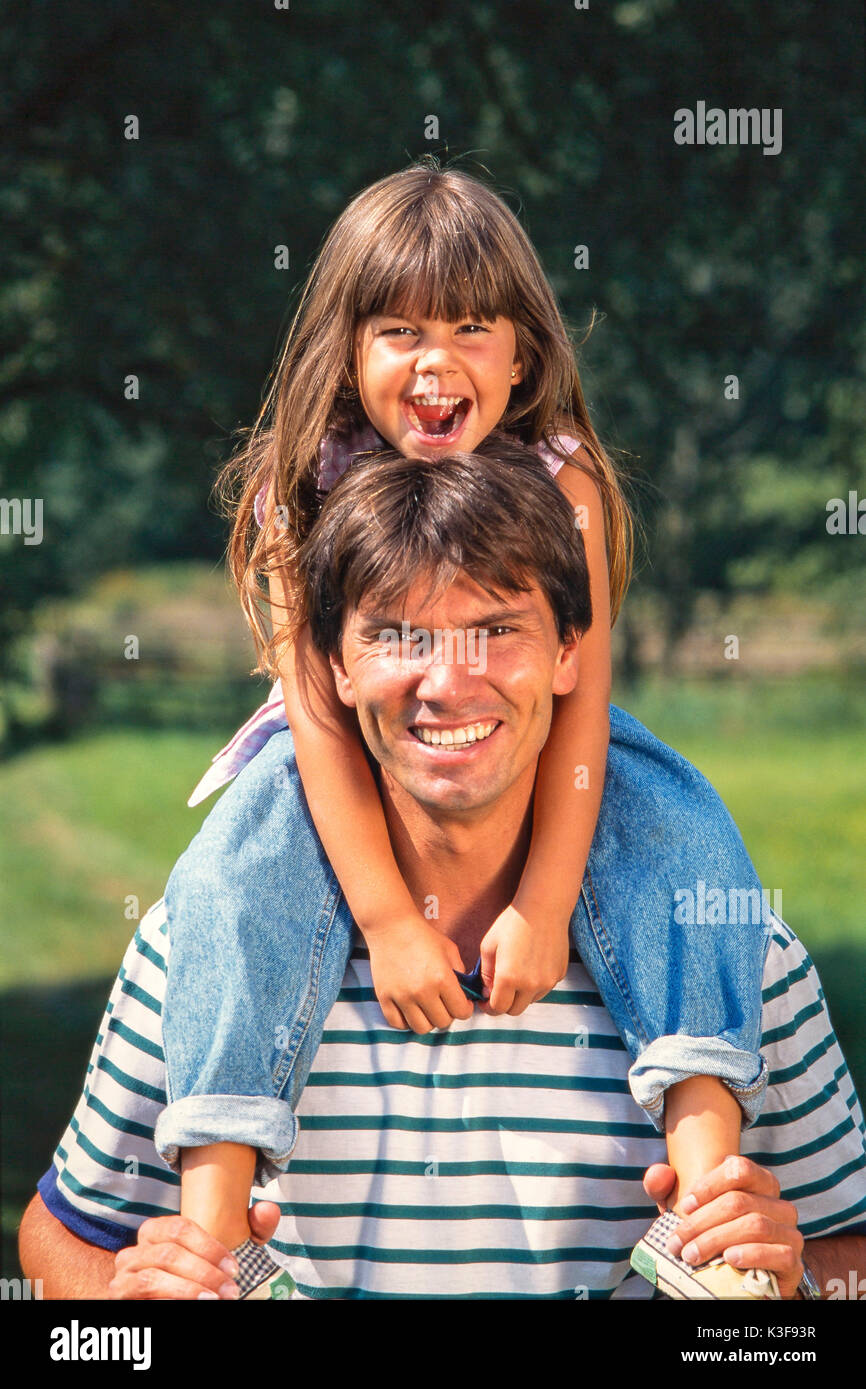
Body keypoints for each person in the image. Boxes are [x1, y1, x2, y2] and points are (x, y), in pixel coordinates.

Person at [19, 447, 866, 1299]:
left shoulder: (725, 942)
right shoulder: (208, 935)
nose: (449, 683)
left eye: (498, 630)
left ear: (571, 651)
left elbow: (849, 1258)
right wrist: (124, 1317)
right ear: (334, 667)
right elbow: (63, 1239)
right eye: (396, 635)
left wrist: (785, 1296)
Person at [147, 159, 773, 1284]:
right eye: (396, 330)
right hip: (341, 748)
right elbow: (320, 728)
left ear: (521, 353)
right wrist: (387, 919)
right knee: (234, 875)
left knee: (678, 829)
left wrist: (541, 905)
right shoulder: (299, 490)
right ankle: (216, 1238)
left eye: (471, 327)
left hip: (537, 737)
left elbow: (579, 716)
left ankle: (707, 1206)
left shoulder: (563, 481)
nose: (434, 362)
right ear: (347, 352)